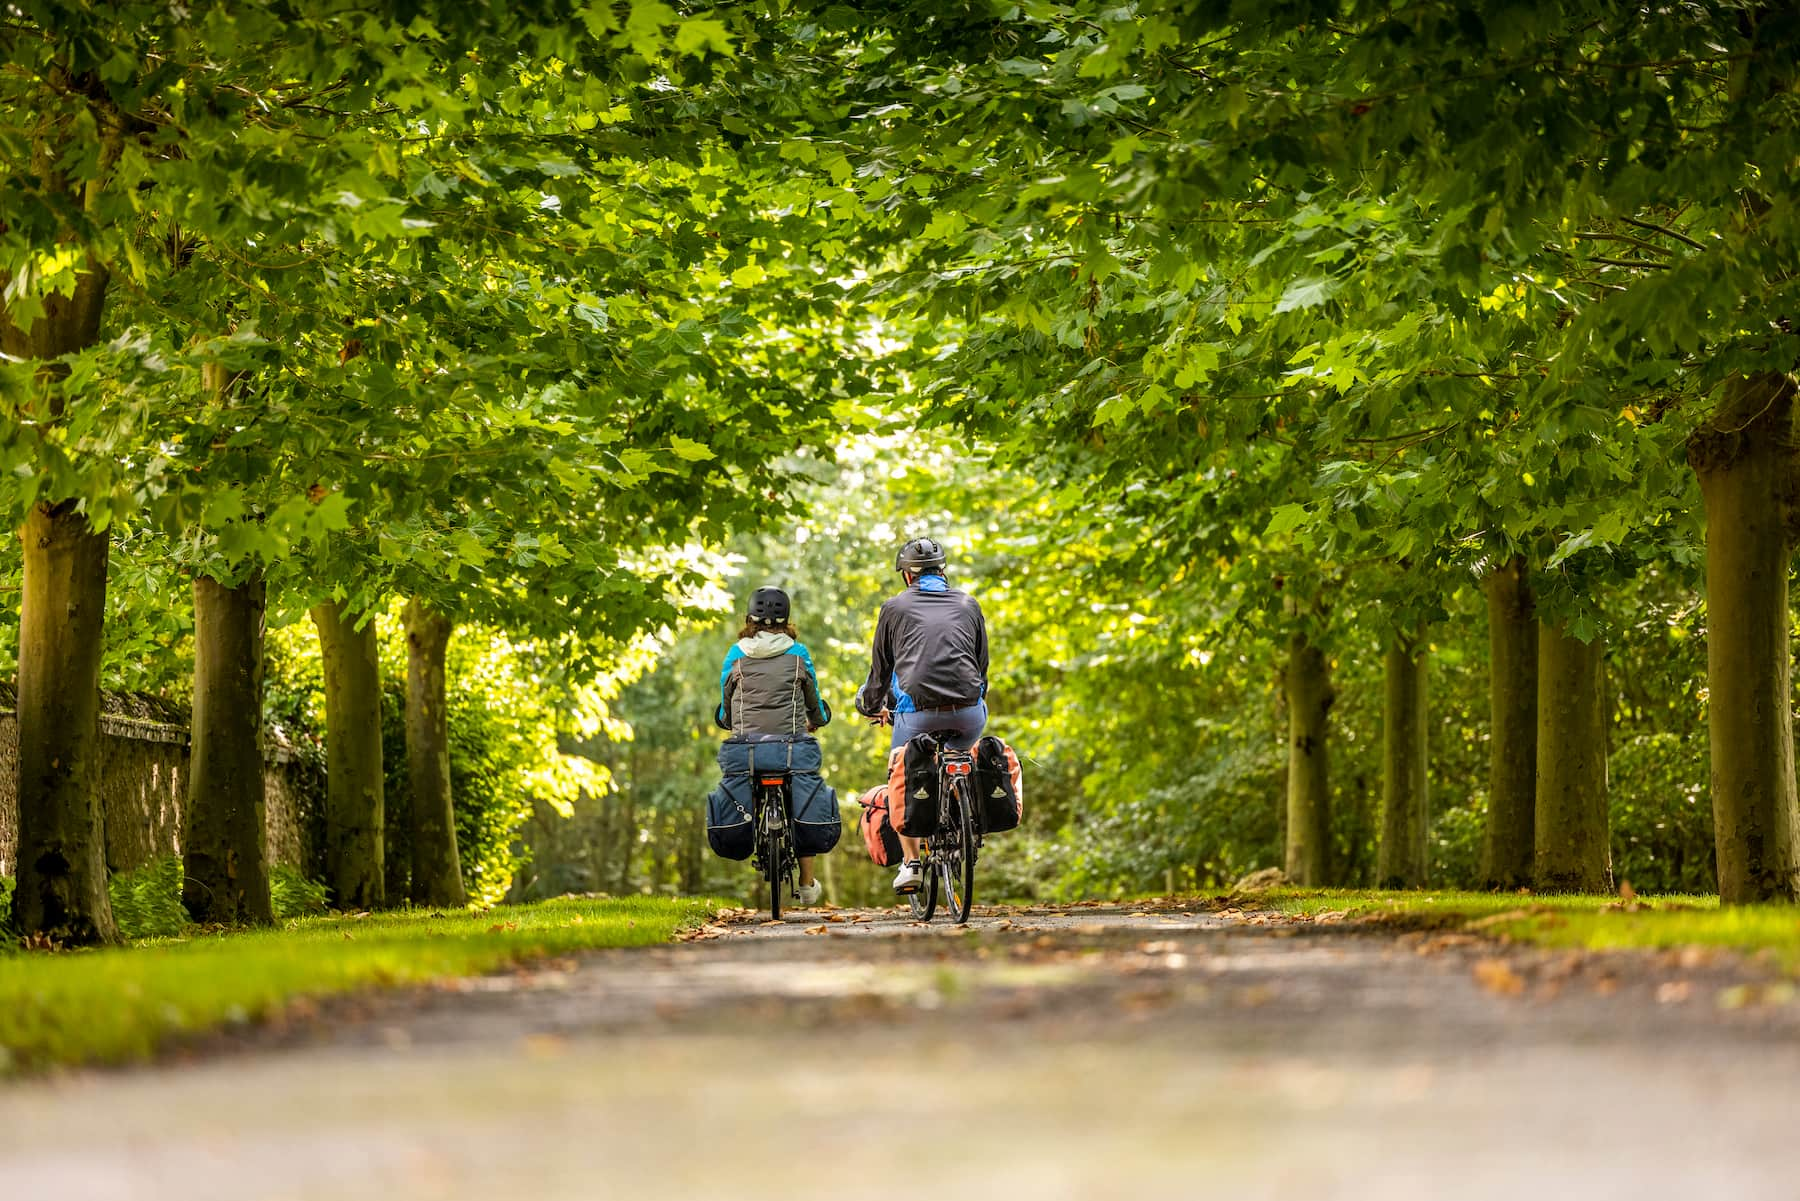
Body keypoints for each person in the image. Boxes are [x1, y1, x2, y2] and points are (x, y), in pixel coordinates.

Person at [853, 537, 989, 895]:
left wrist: (869, 705)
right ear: (942, 572)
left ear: (907, 577)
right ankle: (964, 820)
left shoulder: (893, 609)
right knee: (962, 754)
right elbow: (981, 666)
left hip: (917, 718)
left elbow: (880, 675)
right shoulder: (968, 604)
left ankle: (911, 863)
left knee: (903, 770)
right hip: (969, 715)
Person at [715, 585, 832, 906]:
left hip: (746, 748)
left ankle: (751, 825)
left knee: (745, 780)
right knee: (803, 798)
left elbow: (726, 708)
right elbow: (813, 702)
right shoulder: (798, 653)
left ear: (749, 617)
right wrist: (819, 718)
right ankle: (807, 884)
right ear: (786, 618)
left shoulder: (736, 653)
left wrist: (729, 721)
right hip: (791, 745)